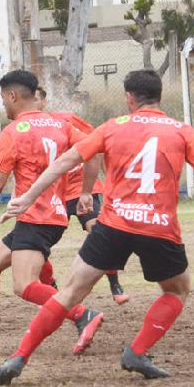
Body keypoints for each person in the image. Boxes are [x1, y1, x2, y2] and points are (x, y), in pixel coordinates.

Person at [0, 70, 194, 385]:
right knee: (176, 290)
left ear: (129, 99)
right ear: (159, 97)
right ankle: (137, 351)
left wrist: (27, 198)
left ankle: (19, 357)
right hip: (159, 227)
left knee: (71, 292)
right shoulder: (183, 131)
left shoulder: (112, 127)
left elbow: (65, 162)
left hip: (114, 225)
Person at [0, 70, 104, 356]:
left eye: (3, 98)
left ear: (12, 96)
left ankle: (82, 314)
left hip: (37, 218)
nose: (3, 104)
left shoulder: (14, 132)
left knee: (25, 285)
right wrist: (86, 192)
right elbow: (94, 151)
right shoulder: (59, 125)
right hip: (50, 215)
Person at [34, 86, 129, 305]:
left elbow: (96, 144)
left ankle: (114, 283)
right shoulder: (26, 130)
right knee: (35, 243)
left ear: (44, 102)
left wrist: (107, 178)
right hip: (55, 191)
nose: (34, 104)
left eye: (37, 99)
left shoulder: (68, 120)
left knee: (97, 230)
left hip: (81, 186)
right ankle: (51, 287)